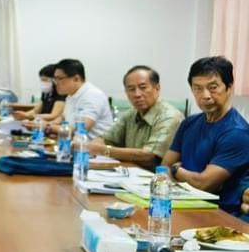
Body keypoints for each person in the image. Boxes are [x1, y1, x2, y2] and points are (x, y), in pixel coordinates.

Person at [163, 56, 249, 214]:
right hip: (181, 203)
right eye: (198, 88)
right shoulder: (189, 123)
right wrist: (177, 172)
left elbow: (204, 184)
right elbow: (164, 168)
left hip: (219, 214)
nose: (205, 95)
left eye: (213, 87)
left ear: (229, 88)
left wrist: (177, 171)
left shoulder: (237, 132)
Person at [85, 66, 183, 169]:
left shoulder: (170, 116)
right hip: (131, 173)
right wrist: (90, 147)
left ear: (157, 88)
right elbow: (105, 140)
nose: (137, 94)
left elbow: (149, 156)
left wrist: (104, 150)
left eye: (143, 87)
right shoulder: (131, 113)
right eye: (131, 89)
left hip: (157, 177)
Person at [46, 58, 114, 139]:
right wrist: (47, 124)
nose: (55, 83)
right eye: (55, 79)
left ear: (76, 79)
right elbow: (63, 118)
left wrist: (50, 128)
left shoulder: (92, 95)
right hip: (76, 143)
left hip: (95, 145)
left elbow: (81, 129)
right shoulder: (71, 95)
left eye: (59, 78)